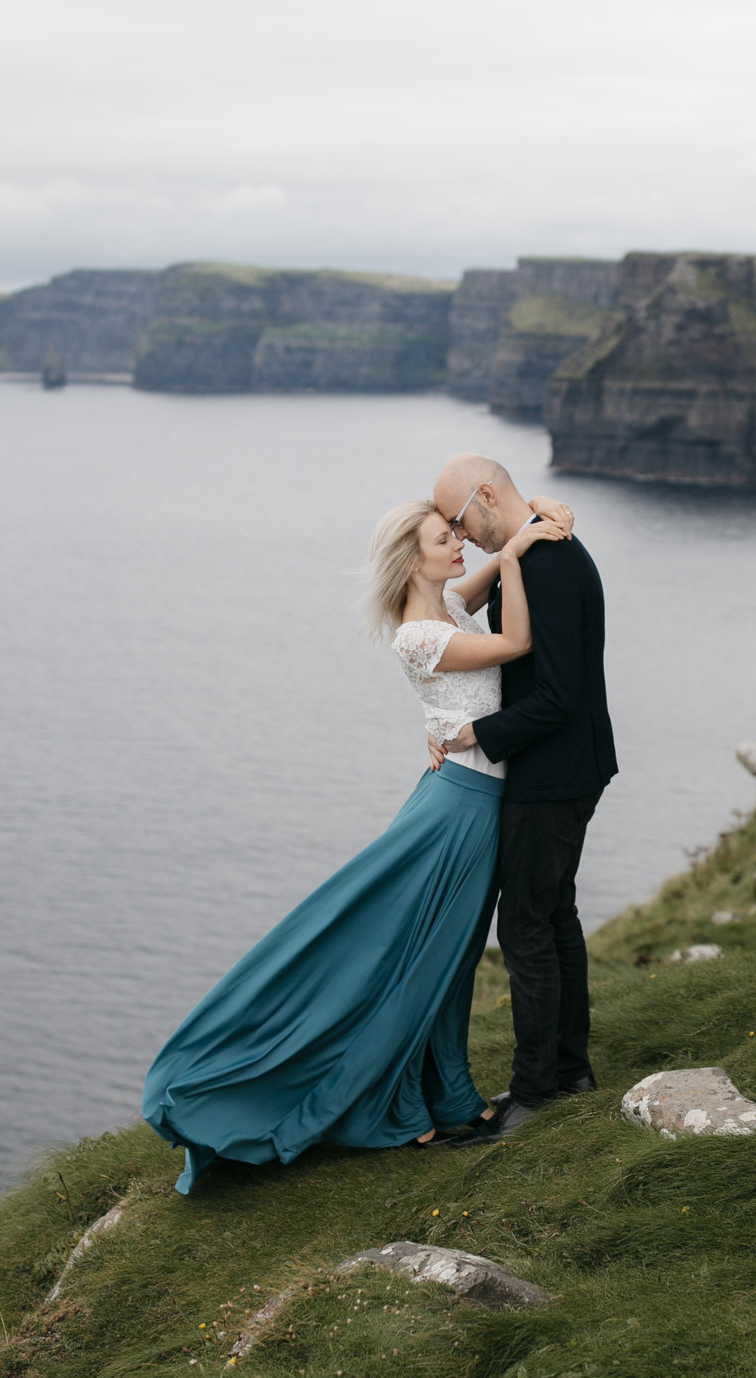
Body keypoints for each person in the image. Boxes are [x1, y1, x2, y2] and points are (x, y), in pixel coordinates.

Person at [139, 492, 573, 1194]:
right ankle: (406, 1113)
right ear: (413, 559)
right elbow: (517, 644)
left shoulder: (445, 605)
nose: (459, 543)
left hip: (463, 801)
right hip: (459, 811)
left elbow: (476, 587)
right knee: (428, 958)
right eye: (444, 539)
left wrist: (523, 529)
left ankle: (444, 1101)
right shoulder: (419, 633)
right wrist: (517, 554)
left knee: (449, 959)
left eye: (457, 533)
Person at [426, 454, 617, 1144]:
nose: (459, 533)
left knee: (527, 928)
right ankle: (569, 1072)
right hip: (564, 767)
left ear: (484, 494)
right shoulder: (531, 549)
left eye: (458, 520)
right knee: (553, 916)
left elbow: (559, 696)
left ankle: (537, 1093)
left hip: (556, 772)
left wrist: (474, 731)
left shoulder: (552, 560)